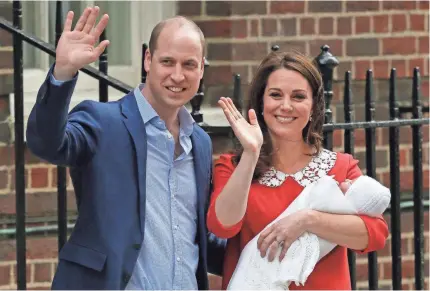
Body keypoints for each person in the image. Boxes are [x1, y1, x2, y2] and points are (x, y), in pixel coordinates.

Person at [26, 6, 225, 290]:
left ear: (202, 68)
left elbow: (200, 237)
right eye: (167, 61)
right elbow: (45, 144)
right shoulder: (103, 122)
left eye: (189, 64)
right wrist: (64, 72)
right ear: (148, 60)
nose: (178, 76)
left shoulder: (200, 143)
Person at [206, 51, 389, 290]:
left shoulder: (340, 167)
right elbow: (222, 225)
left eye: (298, 96)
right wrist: (251, 153)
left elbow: (375, 234)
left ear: (313, 107)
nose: (286, 105)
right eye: (275, 95)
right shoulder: (233, 165)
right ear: (261, 102)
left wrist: (307, 220)